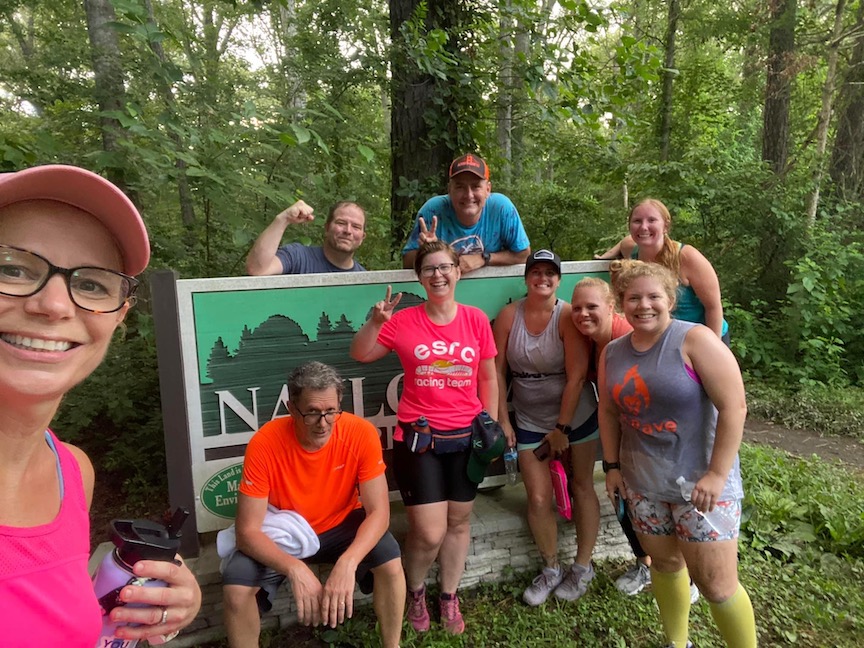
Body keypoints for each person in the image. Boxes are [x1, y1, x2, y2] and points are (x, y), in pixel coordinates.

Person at [0, 164, 201, 645]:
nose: (53, 305)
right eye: (12, 268)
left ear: (119, 315)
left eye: (90, 284)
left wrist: (148, 603)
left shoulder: (73, 473)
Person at [598, 261, 756, 648]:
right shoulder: (613, 352)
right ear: (621, 303)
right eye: (633, 297)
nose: (644, 305)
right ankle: (677, 642)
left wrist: (717, 474)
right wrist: (613, 466)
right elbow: (608, 410)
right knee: (666, 566)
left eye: (654, 296)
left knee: (718, 585)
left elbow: (734, 406)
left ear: (670, 299)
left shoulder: (696, 340)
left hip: (702, 486)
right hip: (644, 483)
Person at [350, 240, 499, 635]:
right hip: (420, 439)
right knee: (429, 532)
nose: (438, 274)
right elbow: (361, 354)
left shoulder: (475, 320)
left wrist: (492, 427)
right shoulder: (404, 321)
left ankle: (449, 595)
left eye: (445, 266)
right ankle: (414, 588)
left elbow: (487, 377)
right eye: (429, 269)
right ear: (419, 277)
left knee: (459, 523)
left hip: (467, 437)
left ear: (458, 270)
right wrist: (376, 321)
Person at [221, 361, 405, 648]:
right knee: (236, 588)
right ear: (292, 409)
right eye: (312, 413)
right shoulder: (265, 442)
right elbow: (247, 532)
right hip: (287, 529)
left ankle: (392, 646)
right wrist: (295, 569)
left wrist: (348, 562)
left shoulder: (361, 433)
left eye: (331, 411)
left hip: (341, 522)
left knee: (391, 562)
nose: (323, 423)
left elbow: (379, 512)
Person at [571, 276, 699, 604]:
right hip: (627, 440)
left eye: (592, 307)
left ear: (611, 306)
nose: (583, 314)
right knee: (624, 500)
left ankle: (681, 572)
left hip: (662, 447)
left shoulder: (627, 336)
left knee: (658, 509)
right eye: (578, 308)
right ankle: (647, 563)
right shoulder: (592, 341)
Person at [492, 249, 600, 606]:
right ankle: (551, 568)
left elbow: (577, 376)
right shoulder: (509, 315)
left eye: (550, 273)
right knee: (538, 496)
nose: (543, 278)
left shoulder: (568, 315)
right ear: (526, 278)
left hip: (575, 416)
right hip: (527, 418)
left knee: (582, 485)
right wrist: (502, 418)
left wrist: (562, 429)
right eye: (535, 272)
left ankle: (582, 566)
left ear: (559, 278)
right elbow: (496, 371)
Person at [595, 199, 728, 340]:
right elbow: (623, 243)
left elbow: (713, 307)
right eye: (637, 221)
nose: (644, 227)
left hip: (702, 337)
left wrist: (714, 346)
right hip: (662, 339)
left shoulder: (686, 256)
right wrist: (606, 256)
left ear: (665, 226)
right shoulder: (631, 251)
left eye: (652, 220)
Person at [401, 154, 530, 273]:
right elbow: (407, 262)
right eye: (460, 187)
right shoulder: (432, 211)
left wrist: (484, 258)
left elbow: (524, 255)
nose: (468, 195)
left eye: (475, 186)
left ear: (488, 190)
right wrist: (427, 251)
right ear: (449, 190)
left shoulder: (501, 208)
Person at [245, 199, 367, 275]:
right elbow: (257, 269)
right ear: (327, 228)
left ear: (362, 237)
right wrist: (283, 219)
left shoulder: (365, 280)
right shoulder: (298, 257)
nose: (348, 231)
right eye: (341, 223)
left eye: (356, 227)